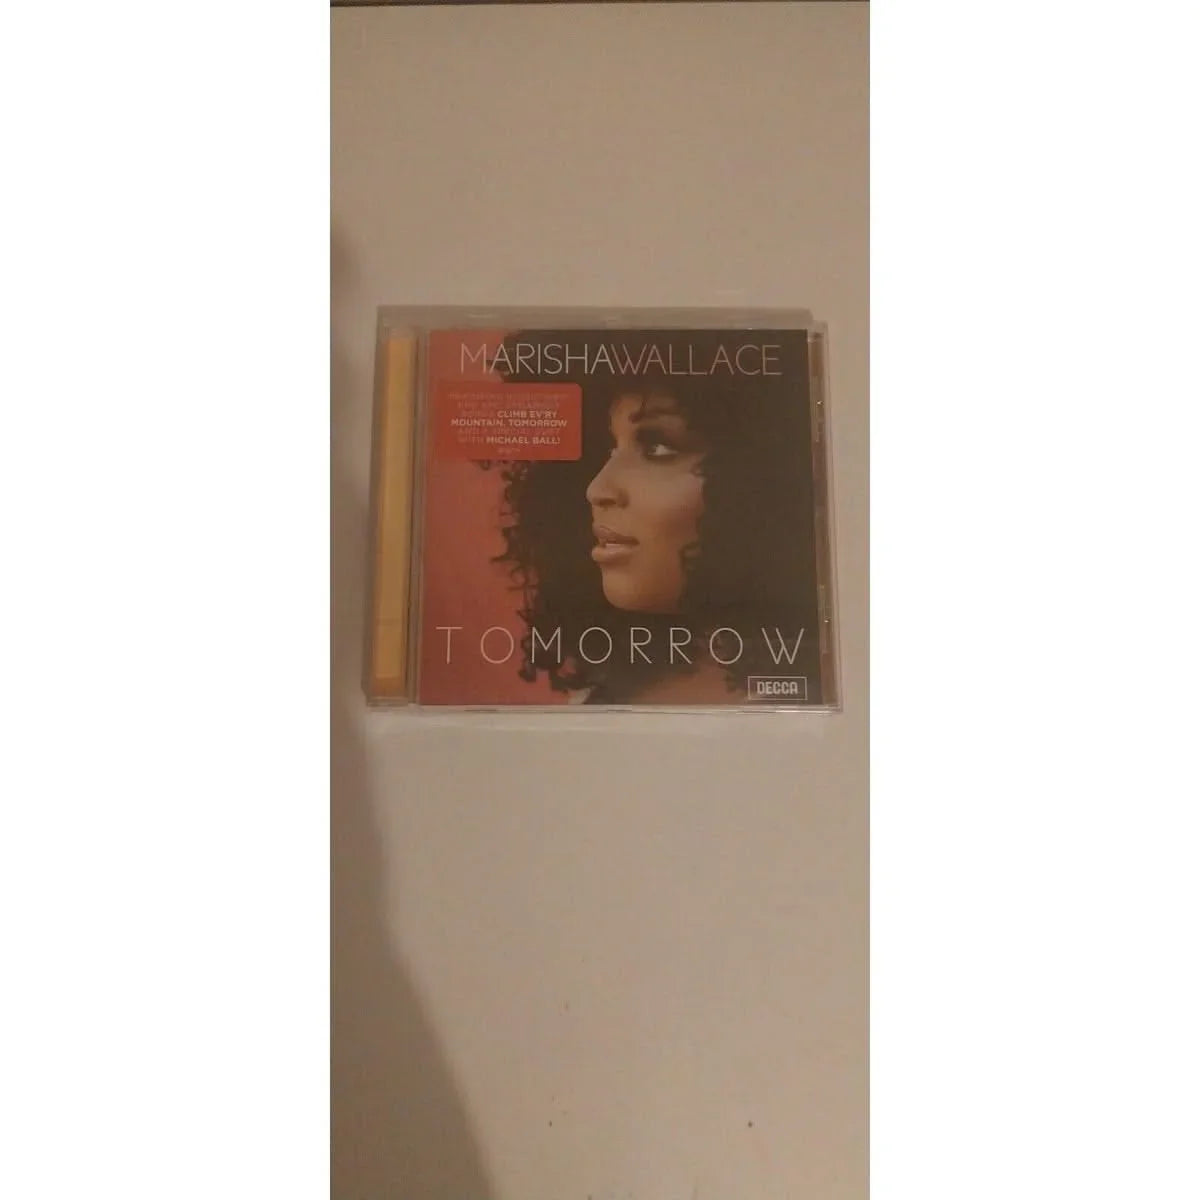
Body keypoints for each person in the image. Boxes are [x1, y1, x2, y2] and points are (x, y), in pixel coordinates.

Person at [488, 328, 824, 705]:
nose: (597, 489)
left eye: (658, 448)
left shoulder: (832, 696)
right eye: (607, 449)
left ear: (762, 477)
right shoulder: (598, 696)